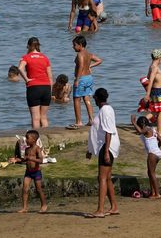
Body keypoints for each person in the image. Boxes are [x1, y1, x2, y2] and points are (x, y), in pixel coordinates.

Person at [86, 88, 119, 219]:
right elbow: (97, 131)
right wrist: (89, 149)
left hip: (107, 147)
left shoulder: (105, 110)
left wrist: (106, 151)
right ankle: (114, 207)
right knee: (107, 177)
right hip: (103, 147)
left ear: (97, 98)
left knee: (102, 178)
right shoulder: (104, 110)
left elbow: (108, 131)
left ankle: (100, 209)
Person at [19, 37, 53, 129]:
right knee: (44, 117)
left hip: (34, 87)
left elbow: (20, 68)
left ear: (28, 46)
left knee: (35, 118)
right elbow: (50, 76)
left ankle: (37, 139)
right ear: (38, 46)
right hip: (46, 87)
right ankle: (46, 138)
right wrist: (50, 91)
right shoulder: (45, 57)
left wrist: (26, 79)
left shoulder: (26, 57)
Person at [69, 35, 102, 129]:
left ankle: (79, 121)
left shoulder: (80, 54)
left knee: (76, 99)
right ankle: (91, 119)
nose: (73, 47)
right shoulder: (88, 53)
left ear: (80, 45)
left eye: (74, 45)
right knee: (86, 98)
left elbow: (81, 66)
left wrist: (77, 79)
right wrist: (90, 66)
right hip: (89, 78)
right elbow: (99, 60)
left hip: (82, 79)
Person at [133, 115, 161, 199]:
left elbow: (140, 132)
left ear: (141, 125)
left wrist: (133, 123)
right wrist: (156, 148)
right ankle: (153, 192)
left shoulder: (146, 128)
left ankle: (157, 194)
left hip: (152, 153)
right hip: (157, 152)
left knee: (152, 173)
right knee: (150, 173)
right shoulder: (153, 130)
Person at [18, 129, 48, 213]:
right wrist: (16, 159)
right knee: (25, 189)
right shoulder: (27, 149)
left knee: (39, 189)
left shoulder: (37, 149)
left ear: (33, 140)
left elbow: (41, 160)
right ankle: (25, 207)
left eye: (27, 138)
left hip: (36, 172)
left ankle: (44, 205)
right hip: (28, 172)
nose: (26, 140)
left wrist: (32, 158)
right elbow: (24, 159)